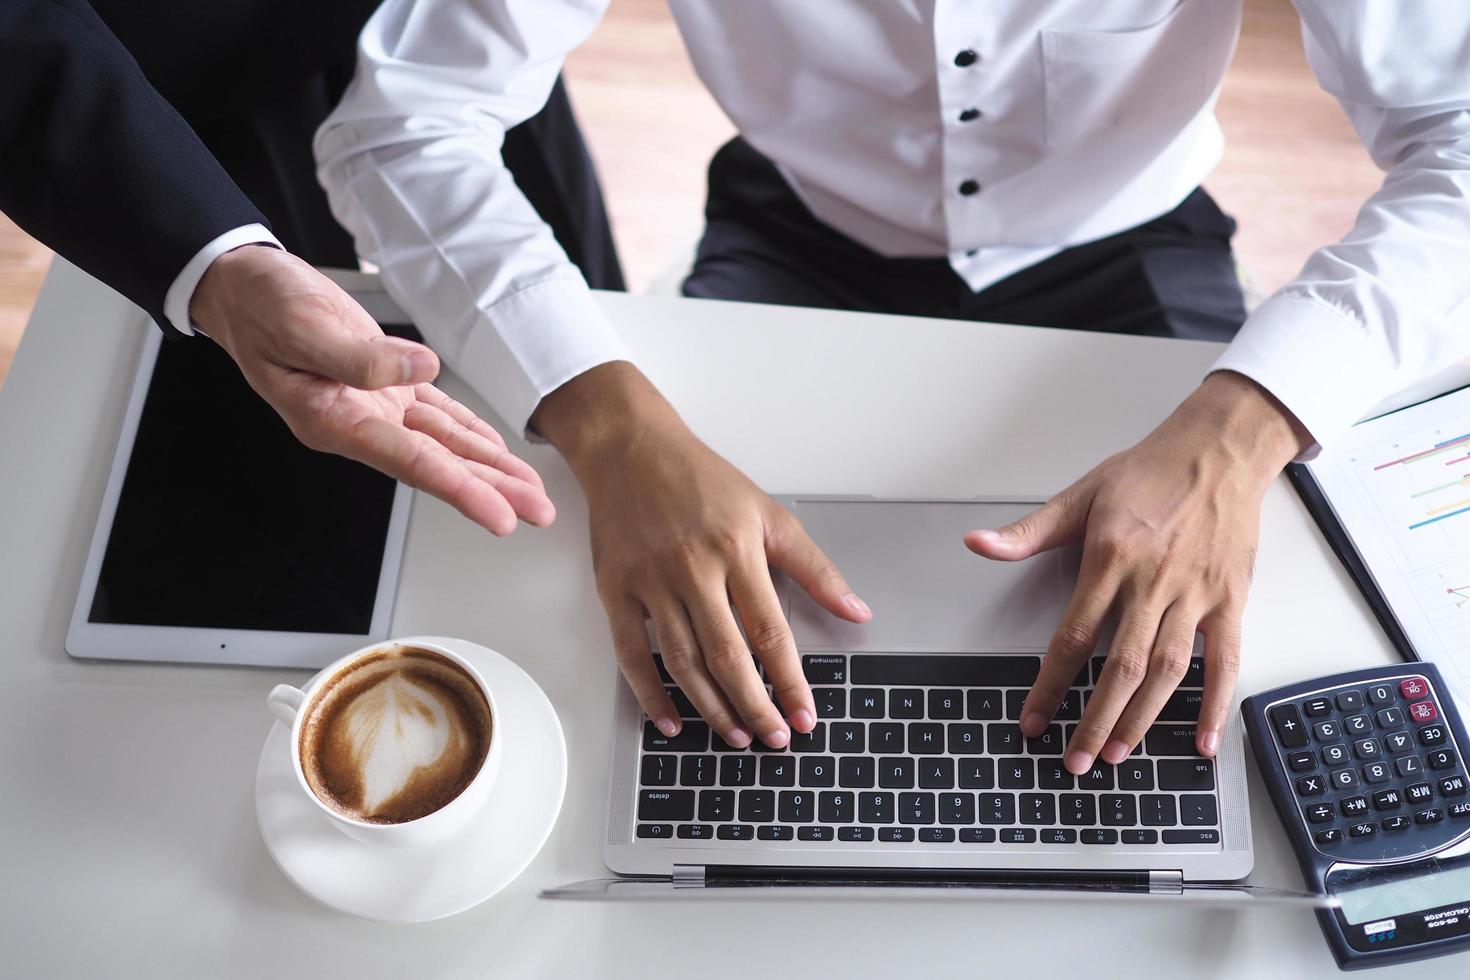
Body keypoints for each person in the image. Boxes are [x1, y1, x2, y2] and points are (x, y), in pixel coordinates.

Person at [316, 0, 1470, 774]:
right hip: (796, 228)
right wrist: (606, 424)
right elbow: (401, 124)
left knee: (1212, 682)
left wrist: (1249, 424)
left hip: (1133, 240)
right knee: (653, 677)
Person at [0, 0, 621, 537]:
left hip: (472, 41)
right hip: (164, 81)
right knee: (296, 405)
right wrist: (226, 271)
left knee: (594, 306)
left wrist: (614, 422)